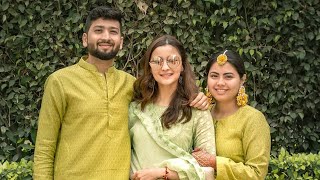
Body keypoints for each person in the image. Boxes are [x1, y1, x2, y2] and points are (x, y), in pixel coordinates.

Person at [33, 6, 209, 179]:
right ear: (85, 39)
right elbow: (45, 148)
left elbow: (165, 98)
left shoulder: (131, 85)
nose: (106, 37)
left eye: (113, 31)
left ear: (121, 41)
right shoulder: (60, 81)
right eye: (99, 30)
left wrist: (197, 97)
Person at [129, 35, 216, 180]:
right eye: (157, 61)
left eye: (172, 60)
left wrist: (163, 173)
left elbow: (207, 171)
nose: (164, 67)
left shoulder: (196, 110)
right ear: (149, 67)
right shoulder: (136, 109)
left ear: (182, 65)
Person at [192, 50, 271, 180]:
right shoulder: (201, 114)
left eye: (228, 76)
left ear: (242, 80)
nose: (220, 82)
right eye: (214, 76)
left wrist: (214, 162)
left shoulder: (253, 119)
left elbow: (257, 174)